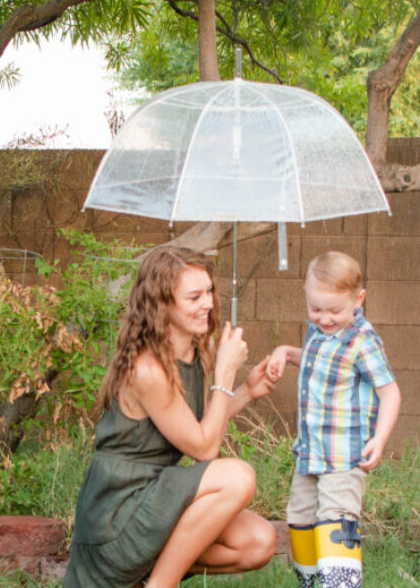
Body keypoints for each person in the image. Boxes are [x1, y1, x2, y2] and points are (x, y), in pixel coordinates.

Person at [63, 246, 281, 588]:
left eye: (208, 291)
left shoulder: (195, 352)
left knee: (259, 540)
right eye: (194, 297)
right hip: (117, 515)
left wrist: (247, 392)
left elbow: (195, 429)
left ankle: (148, 573)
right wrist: (225, 373)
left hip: (151, 497)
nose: (207, 303)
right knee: (238, 476)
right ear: (162, 303)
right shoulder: (147, 368)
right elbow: (204, 449)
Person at [267, 251, 402, 588]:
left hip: (344, 457)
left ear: (358, 299)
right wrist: (285, 351)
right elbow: (318, 359)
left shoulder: (362, 341)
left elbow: (390, 392)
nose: (324, 318)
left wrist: (380, 438)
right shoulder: (318, 331)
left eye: (334, 310)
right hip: (310, 454)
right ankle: (311, 583)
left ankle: (341, 584)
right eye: (315, 309)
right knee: (299, 520)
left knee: (336, 521)